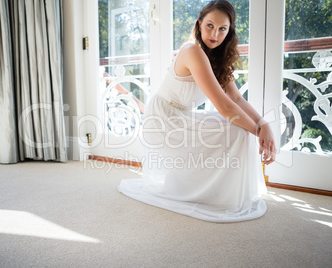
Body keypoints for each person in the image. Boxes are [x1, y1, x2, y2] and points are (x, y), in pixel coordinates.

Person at [118, 0, 276, 222]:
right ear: (199, 24)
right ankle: (212, 192)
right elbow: (224, 106)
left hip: (182, 117)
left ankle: (220, 192)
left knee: (239, 128)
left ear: (229, 32)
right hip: (163, 121)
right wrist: (259, 132)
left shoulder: (218, 59)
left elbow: (237, 98)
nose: (215, 34)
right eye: (210, 25)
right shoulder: (192, 51)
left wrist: (263, 124)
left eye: (223, 29)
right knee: (239, 130)